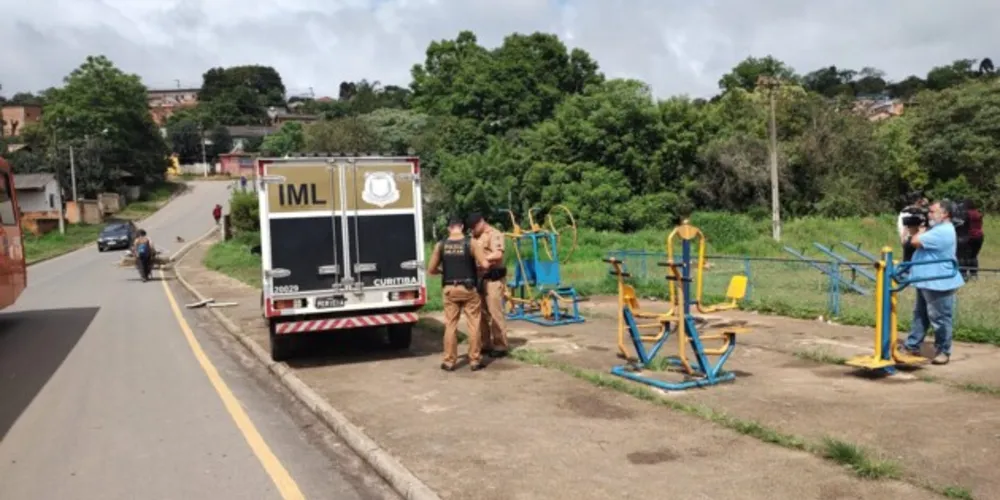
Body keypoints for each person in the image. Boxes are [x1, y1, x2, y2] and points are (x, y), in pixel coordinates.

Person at [900, 200, 965, 365]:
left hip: (938, 281)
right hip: (926, 279)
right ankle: (912, 345)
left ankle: (943, 350)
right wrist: (919, 230)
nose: (928, 215)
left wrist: (916, 231)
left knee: (940, 318)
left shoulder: (943, 231)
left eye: (931, 212)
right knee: (920, 315)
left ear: (945, 214)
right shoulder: (936, 229)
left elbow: (914, 242)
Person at [426, 216, 491, 371]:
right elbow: (485, 264)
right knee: (474, 324)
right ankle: (475, 361)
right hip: (469, 289)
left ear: (449, 228)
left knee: (450, 325)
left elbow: (431, 269)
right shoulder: (471, 243)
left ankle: (449, 361)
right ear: (461, 227)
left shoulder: (441, 245)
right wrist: (478, 270)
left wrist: (443, 271)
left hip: (450, 289)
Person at [468, 212, 510, 358]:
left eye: (474, 227)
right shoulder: (474, 237)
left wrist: (482, 259)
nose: (472, 230)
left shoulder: (495, 234)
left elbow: (498, 254)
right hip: (479, 280)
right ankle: (485, 343)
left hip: (493, 280)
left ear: (481, 222)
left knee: (495, 312)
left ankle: (500, 345)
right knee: (481, 314)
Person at [897, 191, 929, 263]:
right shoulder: (907, 213)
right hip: (912, 241)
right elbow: (903, 236)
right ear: (919, 200)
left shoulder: (924, 212)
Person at [964, 200, 984, 280]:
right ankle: (974, 274)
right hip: (979, 236)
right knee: (974, 256)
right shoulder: (978, 213)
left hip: (970, 236)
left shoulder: (967, 214)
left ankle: (964, 274)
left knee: (966, 256)